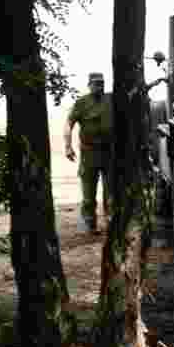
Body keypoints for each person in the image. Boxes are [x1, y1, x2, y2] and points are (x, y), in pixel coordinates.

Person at [64, 72, 113, 233]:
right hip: (89, 153)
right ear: (89, 85)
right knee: (88, 194)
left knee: (111, 191)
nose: (100, 86)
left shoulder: (111, 99)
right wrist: (68, 146)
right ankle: (88, 224)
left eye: (102, 83)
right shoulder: (82, 102)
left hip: (109, 153)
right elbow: (69, 123)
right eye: (96, 83)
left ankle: (111, 223)